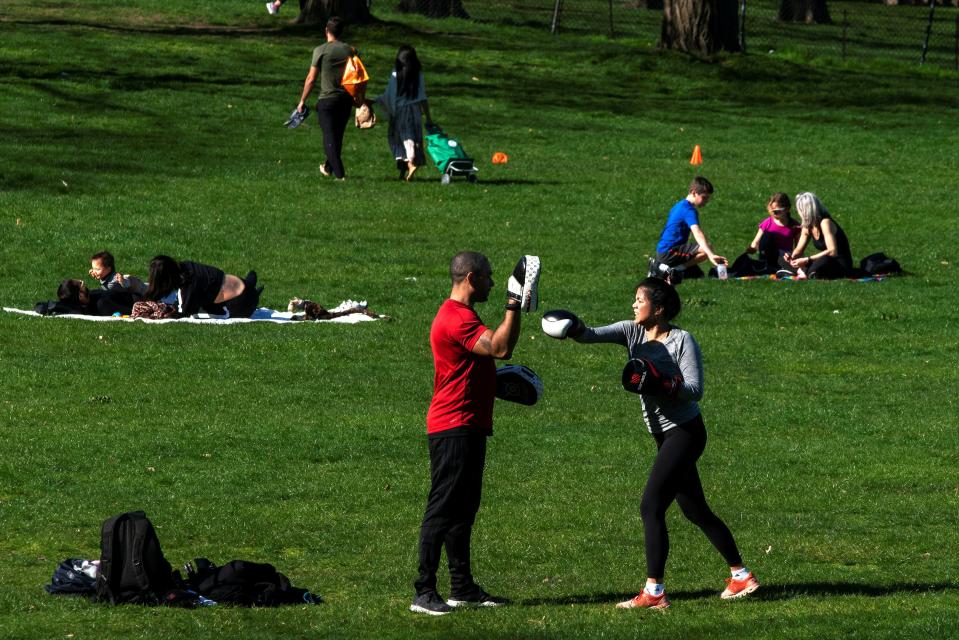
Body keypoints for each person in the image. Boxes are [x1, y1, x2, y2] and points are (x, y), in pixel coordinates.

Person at [543, 277, 759, 609]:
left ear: (657, 309)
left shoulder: (682, 340)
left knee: (651, 506)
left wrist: (663, 383)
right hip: (664, 435)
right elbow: (590, 335)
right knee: (695, 509)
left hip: (685, 433)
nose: (633, 305)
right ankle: (741, 575)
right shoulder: (632, 332)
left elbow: (695, 389)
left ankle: (654, 593)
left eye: (639, 300)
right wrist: (572, 325)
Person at [411, 251, 537, 616]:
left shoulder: (461, 315)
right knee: (443, 508)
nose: (493, 284)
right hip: (454, 426)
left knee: (463, 510)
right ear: (471, 278)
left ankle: (462, 587)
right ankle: (423, 591)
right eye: (489, 277)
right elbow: (500, 347)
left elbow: (471, 364)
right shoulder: (455, 318)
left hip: (467, 424)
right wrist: (515, 301)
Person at [295, 17, 355, 180]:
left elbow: (311, 79)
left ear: (326, 31)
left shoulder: (320, 50)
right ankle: (329, 167)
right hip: (345, 99)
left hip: (327, 99)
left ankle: (340, 175)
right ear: (341, 31)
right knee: (337, 136)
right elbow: (357, 76)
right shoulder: (350, 50)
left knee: (329, 136)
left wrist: (302, 101)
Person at [649, 177, 726, 283]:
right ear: (694, 192)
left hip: (665, 250)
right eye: (704, 197)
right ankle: (674, 270)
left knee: (699, 275)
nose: (706, 201)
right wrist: (711, 255)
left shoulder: (679, 205)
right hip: (669, 252)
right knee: (706, 249)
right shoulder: (689, 210)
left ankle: (675, 269)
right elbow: (697, 232)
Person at [374, 45, 432, 181]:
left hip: (400, 112)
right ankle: (404, 170)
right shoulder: (418, 74)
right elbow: (423, 97)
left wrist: (375, 101)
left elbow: (390, 94)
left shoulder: (396, 73)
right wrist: (428, 117)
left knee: (401, 138)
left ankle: (411, 162)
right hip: (415, 112)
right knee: (413, 137)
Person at [144, 256, 262, 318]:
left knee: (206, 307)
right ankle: (251, 287)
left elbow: (183, 312)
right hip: (241, 284)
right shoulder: (188, 267)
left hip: (242, 303)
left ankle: (253, 292)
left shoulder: (190, 286)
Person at [781, 192, 856, 280]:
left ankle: (804, 271)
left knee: (823, 260)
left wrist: (807, 259)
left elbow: (832, 251)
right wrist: (791, 257)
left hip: (838, 262)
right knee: (781, 258)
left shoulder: (825, 223)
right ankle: (805, 271)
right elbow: (798, 250)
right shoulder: (807, 226)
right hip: (823, 261)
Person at [738, 192, 801, 275]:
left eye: (776, 211)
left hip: (785, 258)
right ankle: (765, 266)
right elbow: (756, 241)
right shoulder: (767, 223)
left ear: (787, 209)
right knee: (768, 236)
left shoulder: (794, 225)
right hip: (768, 256)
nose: (773, 214)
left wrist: (794, 258)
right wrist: (751, 249)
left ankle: (780, 268)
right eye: (771, 211)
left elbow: (799, 248)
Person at [56, 278, 138, 316]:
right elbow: (132, 311)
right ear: (80, 296)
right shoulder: (102, 304)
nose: (83, 282)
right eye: (80, 283)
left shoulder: (92, 295)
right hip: (139, 300)